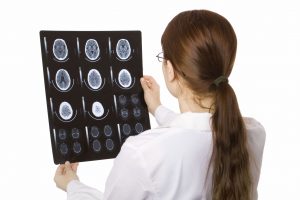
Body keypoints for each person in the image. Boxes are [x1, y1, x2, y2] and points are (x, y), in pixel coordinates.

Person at [54, 9, 266, 200]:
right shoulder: (252, 133)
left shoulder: (143, 153)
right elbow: (200, 131)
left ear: (171, 70)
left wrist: (73, 186)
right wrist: (157, 109)